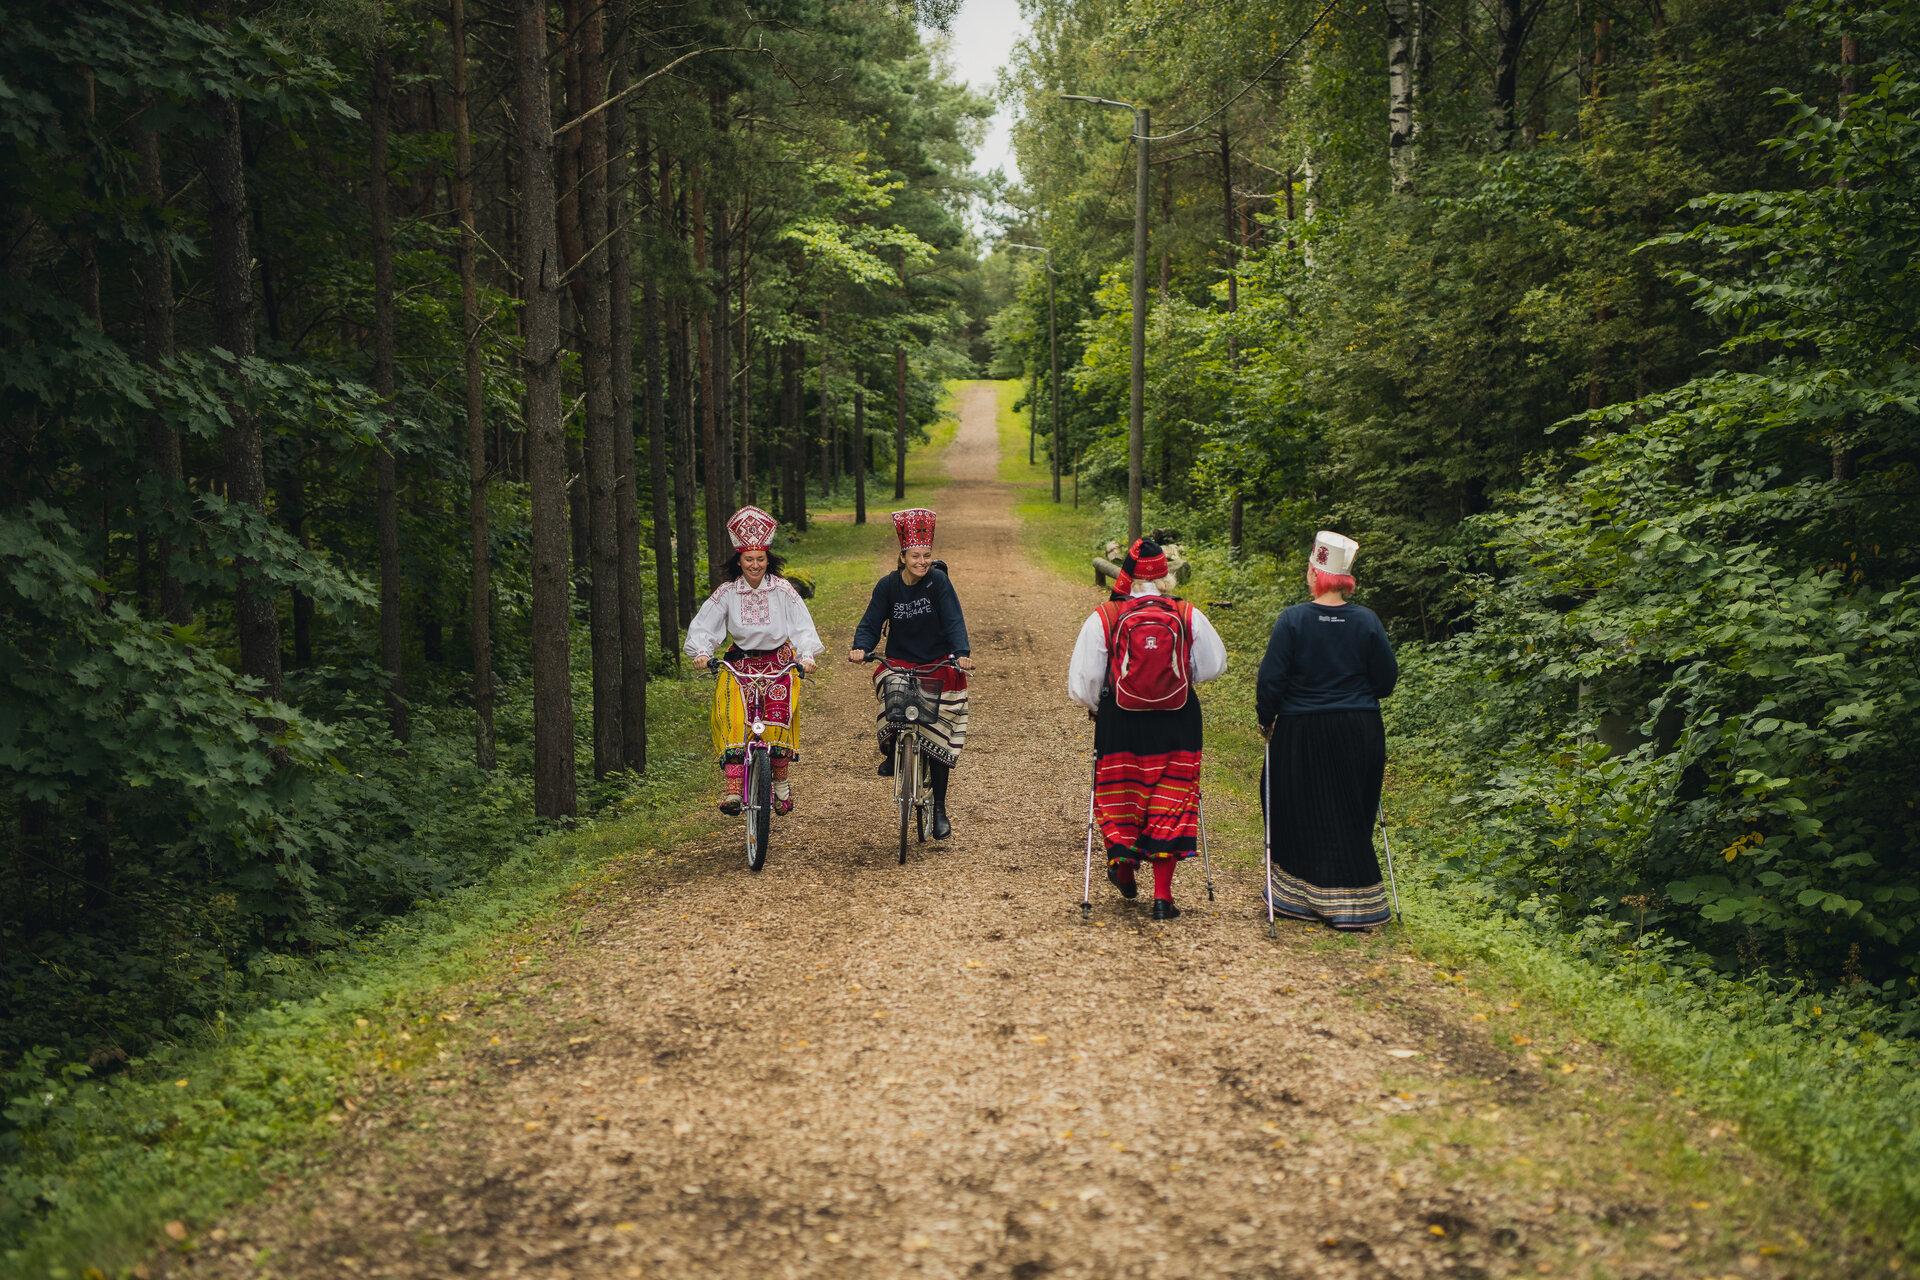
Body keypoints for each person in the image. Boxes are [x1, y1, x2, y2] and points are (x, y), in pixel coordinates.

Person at [1068, 538, 1227, 920]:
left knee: (1122, 795)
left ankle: (1123, 868)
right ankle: (1162, 897)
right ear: (1165, 577)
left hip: (1121, 723)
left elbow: (1083, 683)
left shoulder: (1105, 617)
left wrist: (1098, 707)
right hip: (1178, 721)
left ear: (1129, 575)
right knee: (1170, 800)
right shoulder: (1188, 614)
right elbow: (1213, 666)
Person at [1256, 530, 1399, 930]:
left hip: (1303, 729)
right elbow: (1386, 680)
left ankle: (1300, 897)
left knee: (1290, 801)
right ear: (1345, 579)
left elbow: (1271, 680)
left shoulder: (1293, 620)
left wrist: (1266, 718)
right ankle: (1357, 904)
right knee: (1351, 805)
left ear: (1314, 574)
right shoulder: (1367, 621)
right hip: (1359, 728)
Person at [684, 506, 822, 815]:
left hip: (779, 661)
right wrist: (702, 651)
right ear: (739, 560)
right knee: (730, 711)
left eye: (760, 559)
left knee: (778, 720)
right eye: (749, 559)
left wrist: (807, 654)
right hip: (740, 663)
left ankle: (781, 784)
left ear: (768, 559)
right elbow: (705, 625)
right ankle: (733, 789)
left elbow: (802, 625)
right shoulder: (728, 593)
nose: (755, 565)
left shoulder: (783, 590)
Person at [848, 507, 974, 839]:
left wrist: (961, 654)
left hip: (938, 662)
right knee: (891, 699)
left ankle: (940, 809)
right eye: (915, 555)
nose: (922, 561)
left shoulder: (939, 583)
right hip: (900, 662)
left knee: (938, 735)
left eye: (927, 555)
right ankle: (893, 752)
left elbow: (954, 620)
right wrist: (861, 646)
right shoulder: (888, 586)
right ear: (902, 556)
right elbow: (871, 621)